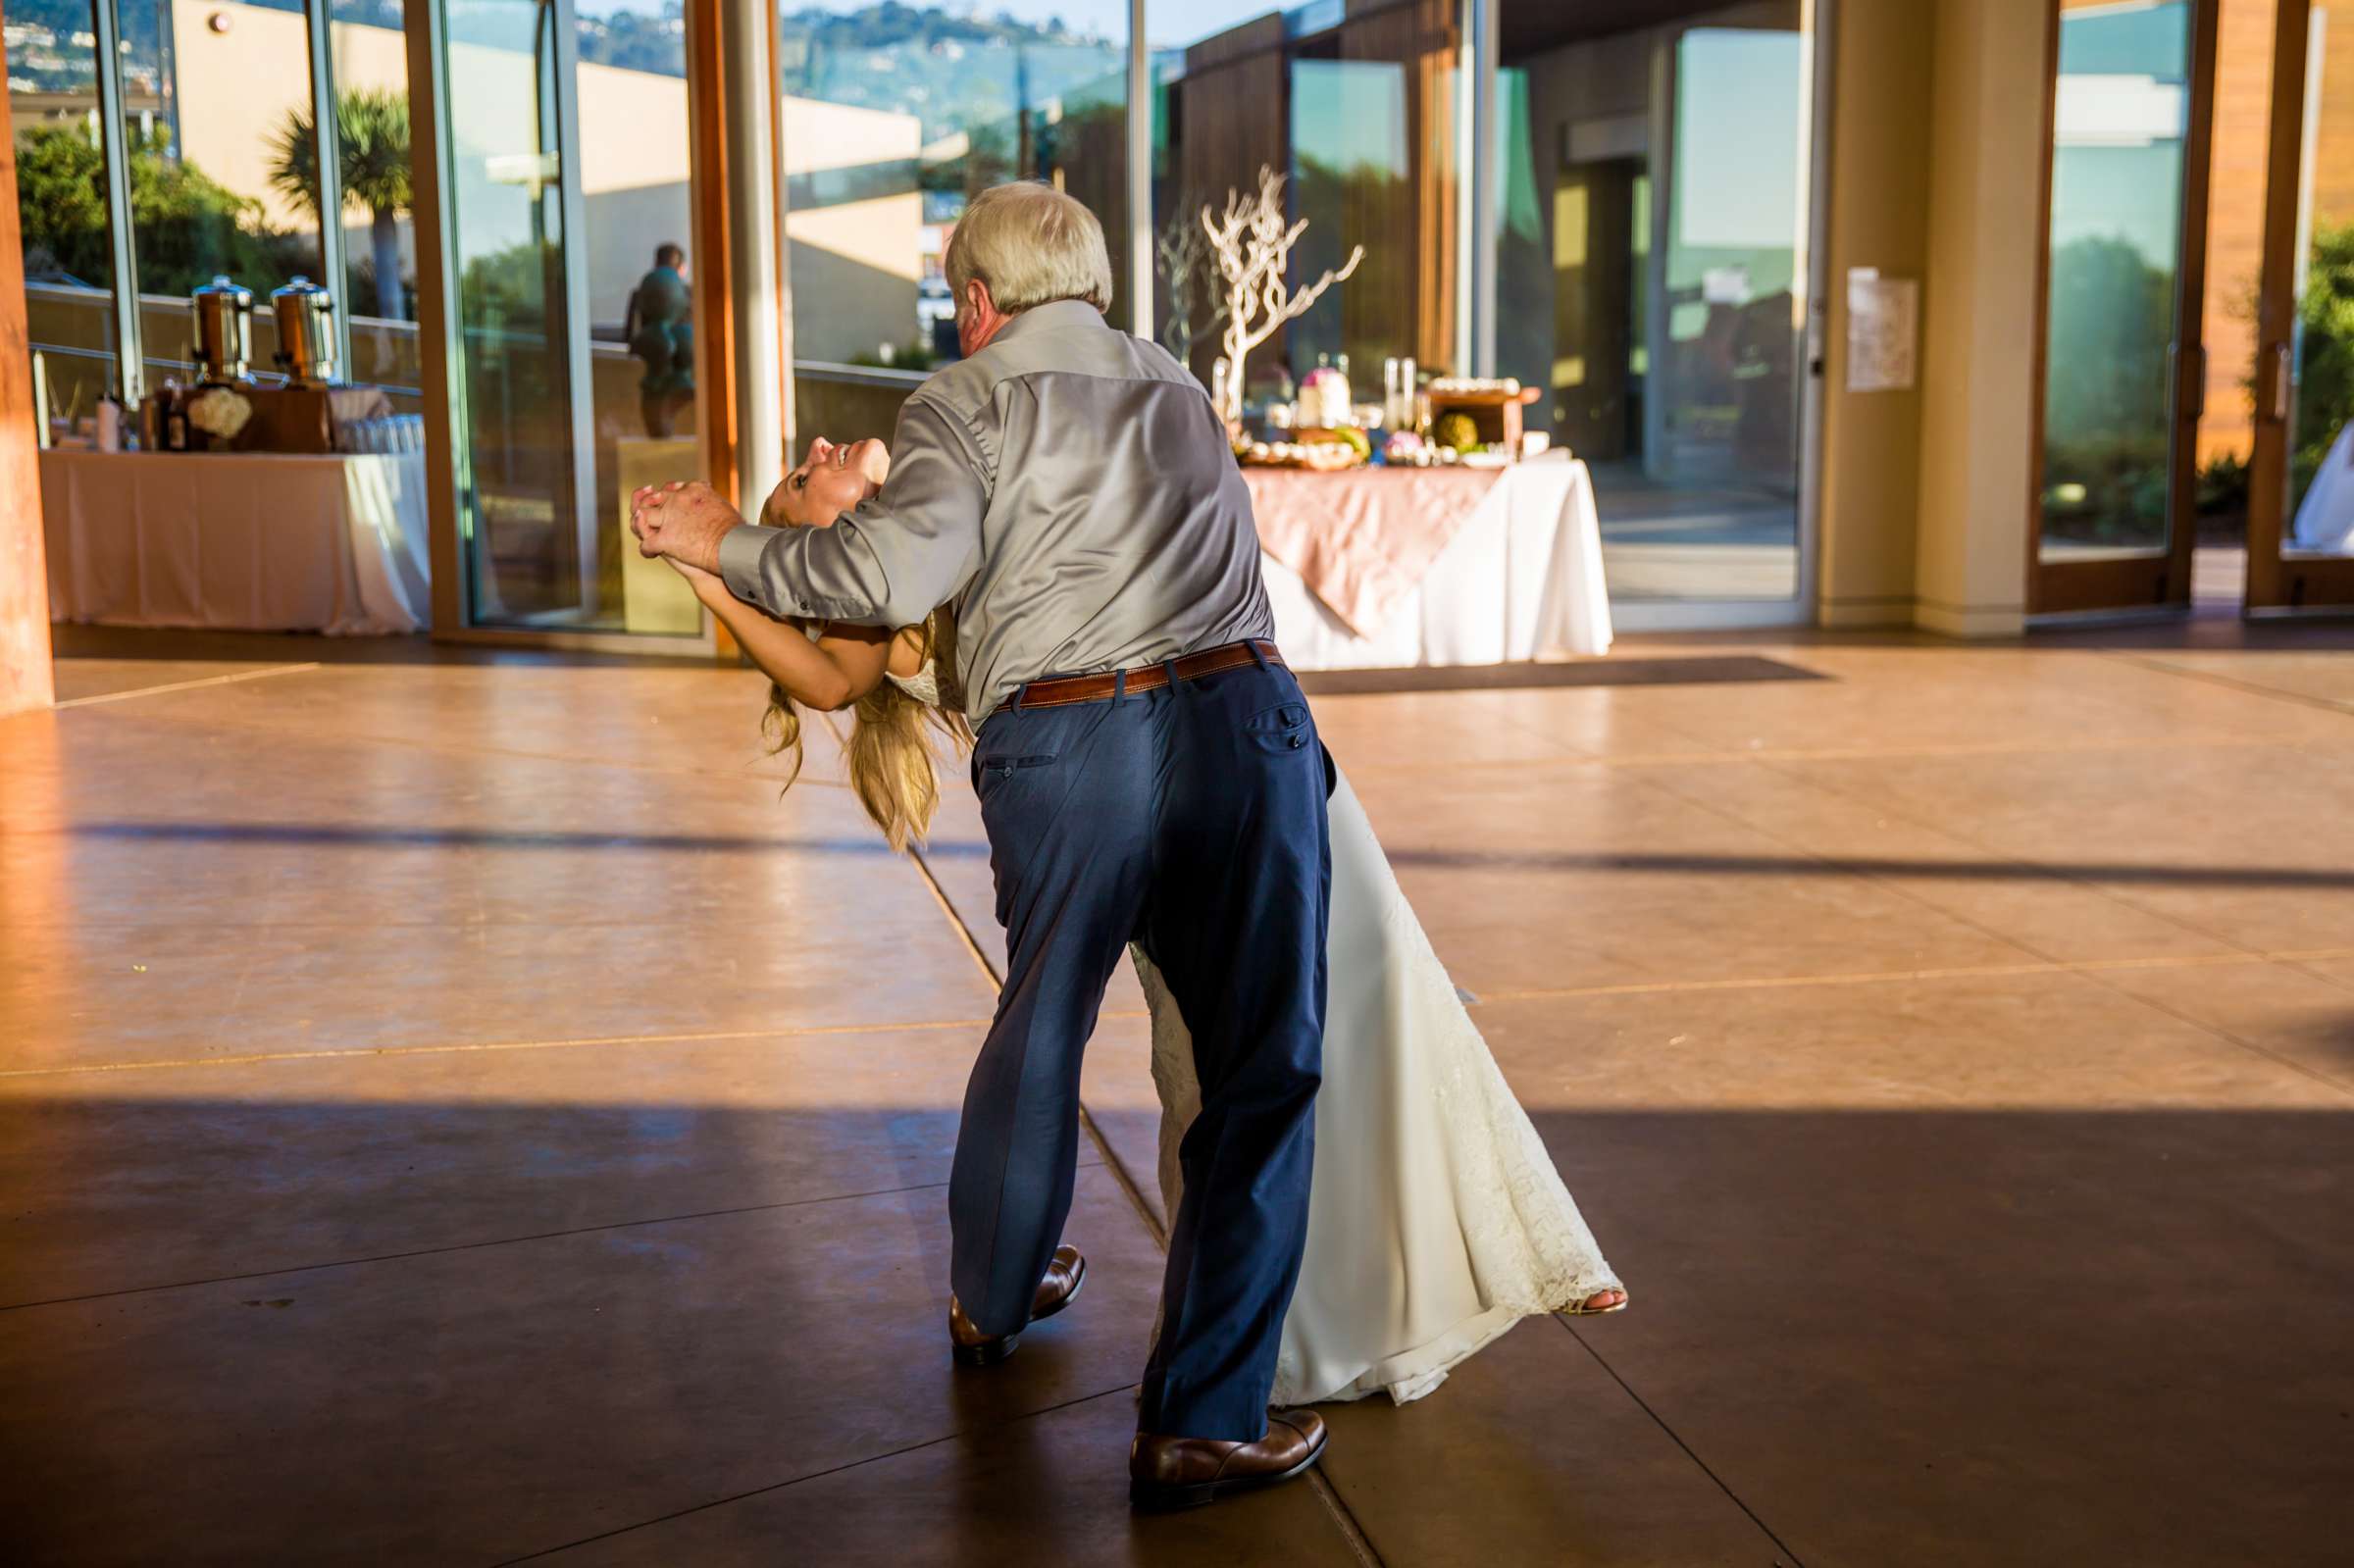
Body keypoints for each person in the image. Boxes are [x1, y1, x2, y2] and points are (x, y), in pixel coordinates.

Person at [662, 428, 1628, 1419]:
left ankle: (1494, 1252)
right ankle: (1260, 1318)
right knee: (1229, 1058)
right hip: (1181, 780)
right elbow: (829, 680)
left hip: (1238, 750)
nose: (818, 445)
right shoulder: (881, 586)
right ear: (813, 547)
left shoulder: (941, 500)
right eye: (798, 475)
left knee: (1378, 989)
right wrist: (711, 570)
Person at [631, 181, 1334, 1512]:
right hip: (1245, 719)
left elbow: (890, 581)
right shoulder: (1179, 386)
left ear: (974, 301)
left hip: (1074, 745)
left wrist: (729, 540)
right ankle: (1200, 1417)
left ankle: (991, 1298)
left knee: (1044, 1026)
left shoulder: (963, 399)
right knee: (1264, 1072)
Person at [623, 243, 693, 437]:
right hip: (669, 372)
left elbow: (629, 335)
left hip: (664, 374)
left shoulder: (642, 293)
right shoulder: (689, 295)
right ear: (682, 268)